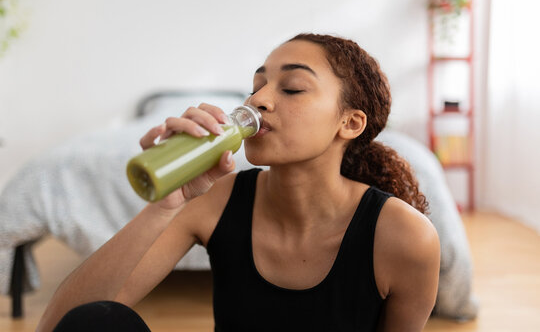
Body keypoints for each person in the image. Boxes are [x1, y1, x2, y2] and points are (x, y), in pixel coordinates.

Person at [37, 33, 440, 332]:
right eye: (256, 86)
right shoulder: (214, 200)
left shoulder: (403, 236)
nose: (258, 100)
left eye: (293, 88)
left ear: (349, 123)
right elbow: (63, 325)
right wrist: (165, 205)